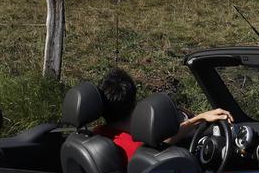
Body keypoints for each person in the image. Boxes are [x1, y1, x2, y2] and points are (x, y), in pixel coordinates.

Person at [94, 67, 231, 160]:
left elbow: (160, 142)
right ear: (134, 105)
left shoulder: (95, 136)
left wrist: (197, 119)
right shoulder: (137, 151)